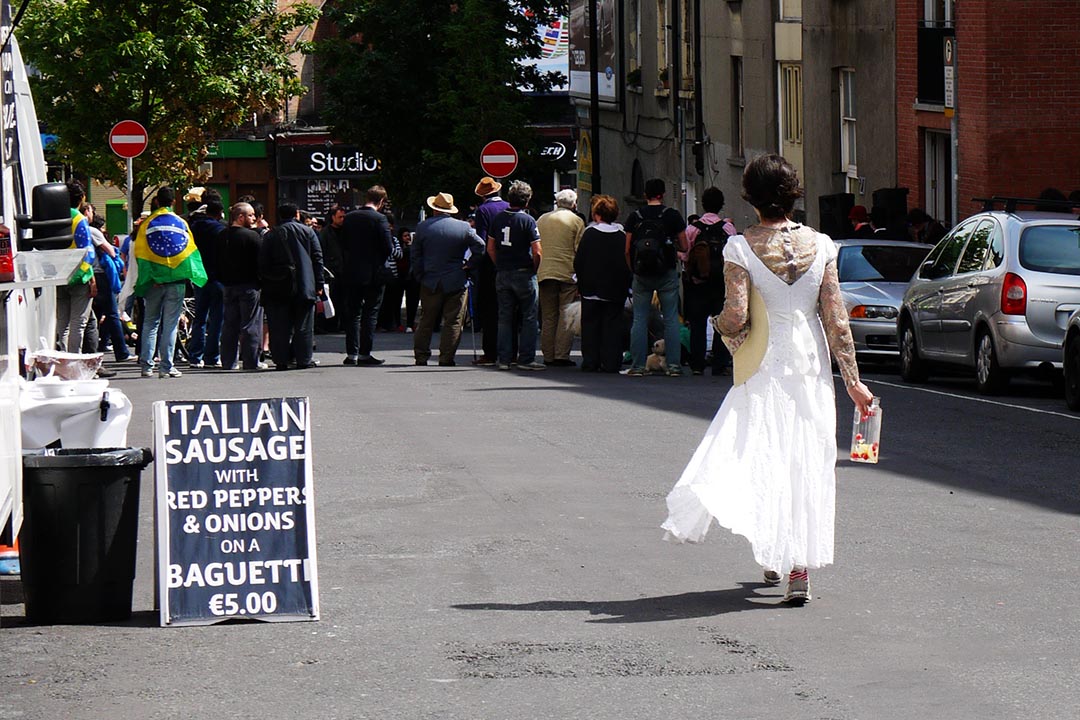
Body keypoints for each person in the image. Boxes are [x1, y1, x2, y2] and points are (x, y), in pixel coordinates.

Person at [661, 154, 874, 605]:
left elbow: (736, 316)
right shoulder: (822, 245)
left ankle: (775, 553)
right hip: (809, 365)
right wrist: (853, 380)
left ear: (752, 199)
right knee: (807, 460)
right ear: (793, 195)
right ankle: (798, 568)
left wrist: (720, 328)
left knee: (764, 456)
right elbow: (836, 320)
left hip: (764, 366)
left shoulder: (740, 248)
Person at [122, 187, 208, 378]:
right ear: (173, 202)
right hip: (176, 281)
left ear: (157, 201)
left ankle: (146, 366)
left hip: (153, 281)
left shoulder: (147, 224)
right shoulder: (181, 222)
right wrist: (193, 275)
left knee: (150, 323)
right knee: (170, 325)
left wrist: (146, 279)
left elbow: (141, 255)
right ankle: (167, 366)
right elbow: (189, 252)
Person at [410, 192, 486, 366]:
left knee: (426, 320)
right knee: (453, 321)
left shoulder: (423, 227)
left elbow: (415, 255)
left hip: (430, 280)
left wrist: (420, 275)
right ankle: (446, 357)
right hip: (456, 279)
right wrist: (469, 264)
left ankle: (421, 356)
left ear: (435, 209)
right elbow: (480, 247)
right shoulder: (463, 227)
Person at [624, 177, 687, 376]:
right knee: (670, 318)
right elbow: (685, 245)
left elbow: (627, 249)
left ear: (645, 195)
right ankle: (674, 366)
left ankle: (638, 365)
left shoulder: (635, 216)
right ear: (663, 194)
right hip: (666, 271)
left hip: (641, 273)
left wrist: (633, 268)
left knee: (640, 319)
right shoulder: (672, 216)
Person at [258, 202, 325, 371]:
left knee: (279, 325)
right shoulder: (308, 232)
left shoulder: (271, 235)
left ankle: (281, 360)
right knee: (303, 325)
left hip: (277, 286)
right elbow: (317, 259)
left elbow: (263, 262)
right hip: (304, 284)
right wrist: (319, 283)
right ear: (296, 214)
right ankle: (303, 359)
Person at [486, 180, 545, 371]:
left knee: (504, 317)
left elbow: (490, 248)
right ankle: (526, 358)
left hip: (503, 272)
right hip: (523, 272)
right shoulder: (528, 220)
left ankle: (504, 358)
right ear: (527, 201)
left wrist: (499, 264)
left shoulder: (498, 219)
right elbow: (537, 251)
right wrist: (534, 269)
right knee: (529, 316)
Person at [574, 194, 631, 373]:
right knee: (612, 326)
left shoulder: (590, 234)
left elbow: (579, 260)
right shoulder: (621, 236)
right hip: (615, 289)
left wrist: (579, 281)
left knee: (590, 324)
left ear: (596, 214)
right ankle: (611, 361)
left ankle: (591, 361)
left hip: (591, 287)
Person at [683, 187, 736, 375]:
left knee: (697, 323)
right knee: (720, 322)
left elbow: (684, 254)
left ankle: (697, 365)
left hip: (698, 282)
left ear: (703, 204)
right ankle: (719, 364)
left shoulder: (693, 229)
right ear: (721, 205)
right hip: (720, 282)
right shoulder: (728, 228)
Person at [340, 185, 394, 366]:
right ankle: (364, 354)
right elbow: (388, 248)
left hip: (352, 271)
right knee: (370, 313)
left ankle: (351, 353)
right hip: (374, 273)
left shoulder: (349, 218)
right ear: (381, 201)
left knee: (353, 313)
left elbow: (343, 244)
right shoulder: (380, 219)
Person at [536, 188, 584, 366]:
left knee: (548, 315)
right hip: (567, 273)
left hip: (545, 271)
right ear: (573, 204)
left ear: (557, 203)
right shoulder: (577, 221)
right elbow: (580, 249)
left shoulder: (542, 219)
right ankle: (561, 355)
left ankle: (547, 355)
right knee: (566, 315)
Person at [218, 202, 266, 371]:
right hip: (250, 285)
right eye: (251, 215)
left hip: (228, 285)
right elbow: (262, 262)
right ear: (240, 217)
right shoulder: (253, 237)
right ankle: (251, 361)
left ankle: (228, 362)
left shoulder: (222, 235)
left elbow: (215, 262)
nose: (254, 218)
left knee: (229, 325)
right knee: (250, 325)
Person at [472, 176, 510, 365]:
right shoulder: (509, 206)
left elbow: (482, 240)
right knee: (510, 310)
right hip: (510, 262)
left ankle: (490, 352)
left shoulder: (483, 211)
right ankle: (510, 352)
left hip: (490, 265)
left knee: (490, 311)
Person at [185, 195, 226, 368]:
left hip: (199, 276)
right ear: (219, 214)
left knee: (199, 317)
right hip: (217, 276)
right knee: (217, 319)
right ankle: (212, 357)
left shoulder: (193, 227)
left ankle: (195, 356)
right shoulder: (221, 230)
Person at [54, 181, 96, 352]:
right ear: (82, 199)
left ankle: (62, 357)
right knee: (78, 323)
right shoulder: (79, 219)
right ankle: (74, 359)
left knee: (62, 323)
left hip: (58, 274)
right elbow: (87, 252)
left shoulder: (55, 216)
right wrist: (89, 277)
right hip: (78, 276)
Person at [317, 203, 346, 333]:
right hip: (331, 271)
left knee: (344, 300)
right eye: (340, 217)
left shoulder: (346, 231)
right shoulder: (325, 233)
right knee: (332, 299)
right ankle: (330, 325)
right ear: (333, 217)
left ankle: (342, 324)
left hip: (344, 271)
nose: (342, 220)